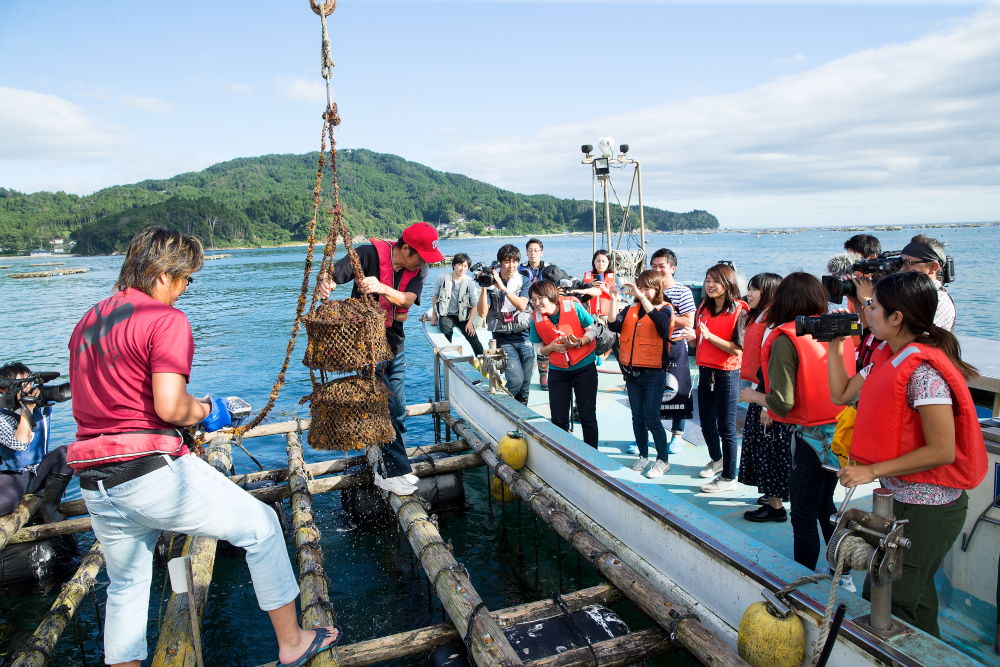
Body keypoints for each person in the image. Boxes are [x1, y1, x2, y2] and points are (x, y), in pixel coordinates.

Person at [68, 227, 339, 667]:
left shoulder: (90, 320)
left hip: (94, 480)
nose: (184, 289)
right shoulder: (165, 319)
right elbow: (171, 406)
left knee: (127, 585)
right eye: (185, 279)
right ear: (162, 274)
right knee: (262, 526)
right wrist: (212, 410)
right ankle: (292, 641)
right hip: (149, 472)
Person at [828, 271, 986, 637]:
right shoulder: (887, 358)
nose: (865, 311)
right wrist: (836, 344)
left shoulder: (924, 375)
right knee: (914, 596)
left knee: (893, 596)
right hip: (899, 496)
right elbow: (840, 393)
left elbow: (943, 450)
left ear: (896, 317)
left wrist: (872, 471)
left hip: (930, 507)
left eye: (873, 306)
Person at [740, 273, 856, 574]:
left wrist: (754, 396)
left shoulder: (785, 339)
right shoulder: (836, 331)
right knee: (825, 505)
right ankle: (842, 574)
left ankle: (801, 578)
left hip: (808, 439)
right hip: (840, 432)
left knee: (803, 514)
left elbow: (782, 402)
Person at [320, 221, 442, 496]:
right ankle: (391, 472)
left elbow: (407, 299)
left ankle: (390, 462)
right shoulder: (367, 255)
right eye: (422, 256)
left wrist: (381, 287)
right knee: (382, 405)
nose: (425, 263)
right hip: (363, 345)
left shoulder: (419, 270)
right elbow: (332, 274)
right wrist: (326, 284)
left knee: (398, 408)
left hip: (394, 344)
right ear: (406, 249)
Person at [734, 273, 793, 522]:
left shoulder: (773, 322)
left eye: (754, 289)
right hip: (758, 386)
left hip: (766, 392)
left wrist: (767, 404)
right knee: (760, 446)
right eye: (749, 288)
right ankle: (770, 496)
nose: (749, 293)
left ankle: (776, 507)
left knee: (770, 449)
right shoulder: (759, 316)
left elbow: (772, 366)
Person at [608, 270, 674, 477]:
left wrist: (642, 298)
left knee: (652, 418)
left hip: (653, 374)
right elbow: (613, 324)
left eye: (648, 288)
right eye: (641, 287)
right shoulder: (631, 309)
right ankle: (643, 455)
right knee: (637, 417)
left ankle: (663, 460)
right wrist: (613, 299)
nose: (643, 292)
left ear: (657, 289)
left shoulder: (665, 309)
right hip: (632, 373)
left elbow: (663, 326)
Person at [695, 263, 748, 493]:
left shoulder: (739, 311)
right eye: (708, 280)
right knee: (706, 421)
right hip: (705, 371)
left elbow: (737, 349)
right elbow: (699, 337)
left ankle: (728, 477)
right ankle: (717, 459)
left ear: (727, 284)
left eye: (716, 281)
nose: (710, 285)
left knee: (726, 426)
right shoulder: (703, 307)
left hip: (727, 373)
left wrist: (710, 337)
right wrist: (692, 336)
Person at [528, 280, 600, 447]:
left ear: (552, 296)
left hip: (584, 367)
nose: (537, 303)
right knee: (558, 418)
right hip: (558, 371)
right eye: (533, 299)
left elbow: (593, 329)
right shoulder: (535, 319)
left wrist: (580, 342)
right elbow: (538, 349)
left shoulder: (573, 307)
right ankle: (562, 452)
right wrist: (551, 347)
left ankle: (592, 453)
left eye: (540, 298)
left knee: (587, 414)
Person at [0, 363, 73, 522]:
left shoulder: (37, 401)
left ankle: (49, 507)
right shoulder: (2, 415)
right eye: (21, 385)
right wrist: (27, 409)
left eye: (29, 383)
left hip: (36, 472)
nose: (28, 389)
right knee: (6, 504)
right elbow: (19, 444)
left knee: (67, 452)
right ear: (4, 390)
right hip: (10, 476)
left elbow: (70, 391)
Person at [650, 248, 695, 454]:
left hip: (675, 346)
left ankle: (677, 436)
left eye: (662, 266)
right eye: (654, 266)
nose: (657, 270)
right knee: (650, 392)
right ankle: (650, 435)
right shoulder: (648, 291)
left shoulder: (682, 291)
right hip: (651, 347)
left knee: (678, 391)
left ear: (673, 268)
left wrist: (663, 316)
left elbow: (688, 321)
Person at [477, 244, 533, 404]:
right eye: (507, 262)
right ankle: (501, 405)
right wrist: (483, 286)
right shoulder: (491, 284)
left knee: (526, 382)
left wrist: (502, 287)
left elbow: (521, 305)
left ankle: (522, 409)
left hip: (525, 336)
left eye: (514, 262)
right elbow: (482, 313)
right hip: (502, 339)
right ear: (500, 263)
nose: (511, 266)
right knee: (516, 381)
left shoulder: (524, 281)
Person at [899, 234, 956, 331]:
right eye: (901, 263)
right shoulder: (909, 295)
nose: (902, 270)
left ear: (933, 267)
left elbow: (915, 335)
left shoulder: (939, 300)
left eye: (908, 263)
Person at [430, 252, 483, 357]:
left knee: (473, 338)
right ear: (454, 265)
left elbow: (474, 305)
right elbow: (435, 297)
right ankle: (449, 356)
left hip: (463, 317)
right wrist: (434, 316)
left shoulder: (470, 283)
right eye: (459, 265)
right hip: (447, 315)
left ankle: (482, 359)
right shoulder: (442, 278)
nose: (462, 268)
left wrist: (470, 323)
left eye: (465, 266)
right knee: (446, 327)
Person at [519, 238, 549, 390]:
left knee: (543, 342)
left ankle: (544, 375)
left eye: (536, 250)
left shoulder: (549, 269)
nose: (533, 253)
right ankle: (525, 375)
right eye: (530, 250)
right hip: (524, 310)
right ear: (526, 252)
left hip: (543, 310)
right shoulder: (520, 269)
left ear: (541, 252)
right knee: (527, 344)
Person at [572, 250, 616, 322]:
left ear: (608, 262)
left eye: (603, 261)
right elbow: (581, 295)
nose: (600, 264)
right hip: (590, 314)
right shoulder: (587, 276)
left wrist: (604, 288)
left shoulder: (614, 277)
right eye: (598, 261)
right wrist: (589, 285)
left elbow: (618, 298)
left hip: (607, 315)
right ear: (594, 262)